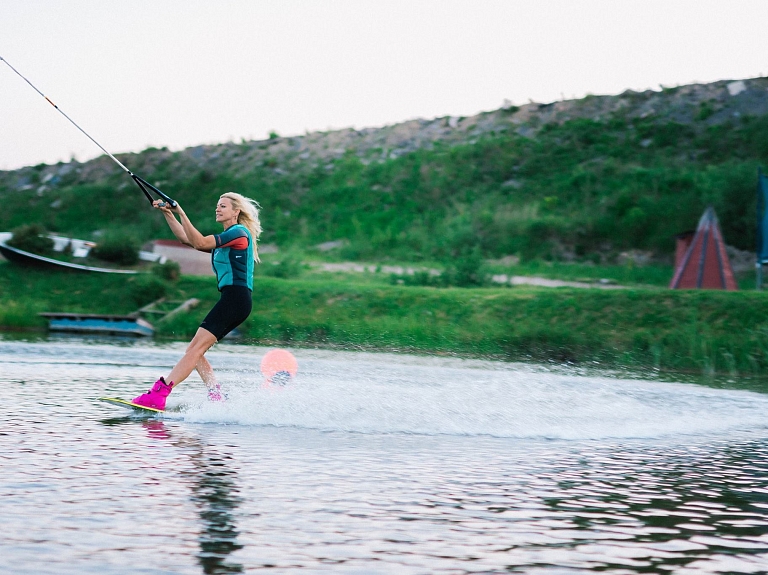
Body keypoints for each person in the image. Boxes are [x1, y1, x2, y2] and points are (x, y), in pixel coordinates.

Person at [131, 192, 261, 410]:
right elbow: (188, 240)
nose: (218, 209)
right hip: (233, 299)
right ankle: (216, 394)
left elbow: (199, 241)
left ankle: (159, 394)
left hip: (236, 299)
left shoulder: (239, 232)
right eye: (217, 205)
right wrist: (168, 214)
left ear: (236, 212)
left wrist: (180, 211)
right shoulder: (228, 235)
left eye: (223, 206)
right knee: (194, 350)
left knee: (194, 350)